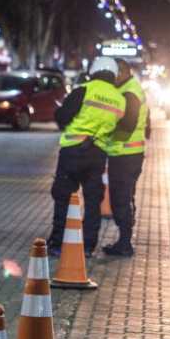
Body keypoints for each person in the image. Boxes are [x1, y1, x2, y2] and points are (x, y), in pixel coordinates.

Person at [49, 57, 139, 258]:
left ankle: (56, 243)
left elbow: (63, 117)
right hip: (97, 154)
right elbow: (126, 126)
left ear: (93, 70)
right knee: (92, 200)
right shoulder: (119, 99)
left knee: (63, 197)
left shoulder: (84, 89)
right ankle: (88, 245)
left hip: (72, 151)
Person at [101, 59, 149, 257]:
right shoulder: (129, 89)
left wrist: (106, 129)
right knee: (125, 197)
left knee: (121, 198)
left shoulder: (130, 92)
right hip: (126, 154)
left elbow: (128, 123)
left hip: (125, 154)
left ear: (121, 72)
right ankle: (124, 240)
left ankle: (125, 242)